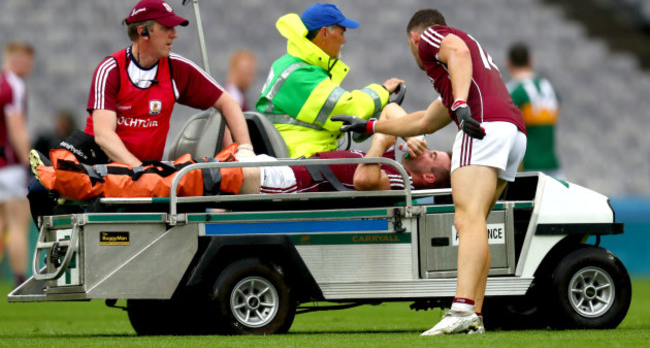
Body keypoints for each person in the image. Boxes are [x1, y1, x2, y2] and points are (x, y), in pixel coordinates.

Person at [335, 9, 527, 335]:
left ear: (414, 38)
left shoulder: (429, 39)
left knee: (465, 220)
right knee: (476, 221)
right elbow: (424, 121)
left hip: (483, 126)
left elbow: (458, 53)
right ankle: (475, 316)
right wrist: (371, 124)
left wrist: (462, 104)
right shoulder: (461, 76)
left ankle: (462, 308)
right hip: (513, 133)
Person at [31, 103, 451, 200]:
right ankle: (68, 177)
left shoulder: (398, 180)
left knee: (170, 182)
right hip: (276, 169)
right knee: (171, 169)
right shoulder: (400, 158)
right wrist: (414, 134)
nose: (430, 151)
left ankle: (69, 180)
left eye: (435, 157)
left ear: (428, 176)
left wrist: (383, 140)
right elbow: (392, 106)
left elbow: (363, 178)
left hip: (280, 182)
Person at [83, 0, 254, 166]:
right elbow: (103, 135)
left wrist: (246, 150)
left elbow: (228, 103)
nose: (174, 34)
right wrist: (141, 171)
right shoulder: (110, 69)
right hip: (104, 174)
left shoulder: (176, 68)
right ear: (143, 32)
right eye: (166, 28)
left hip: (147, 178)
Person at [256, 3, 405, 158]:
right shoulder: (299, 74)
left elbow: (345, 119)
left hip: (304, 157)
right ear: (324, 33)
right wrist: (382, 90)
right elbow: (347, 109)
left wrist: (377, 110)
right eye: (341, 33)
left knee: (370, 168)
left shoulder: (297, 66)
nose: (344, 40)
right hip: (303, 159)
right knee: (371, 168)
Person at [0, 42, 34, 287]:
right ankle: (20, 279)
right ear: (19, 59)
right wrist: (28, 162)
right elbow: (16, 128)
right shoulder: (14, 86)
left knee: (1, 222)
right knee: (17, 224)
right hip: (9, 165)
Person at [506, 42, 563, 178]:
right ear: (530, 62)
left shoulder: (513, 92)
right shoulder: (549, 88)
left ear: (509, 64)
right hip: (552, 165)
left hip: (527, 168)